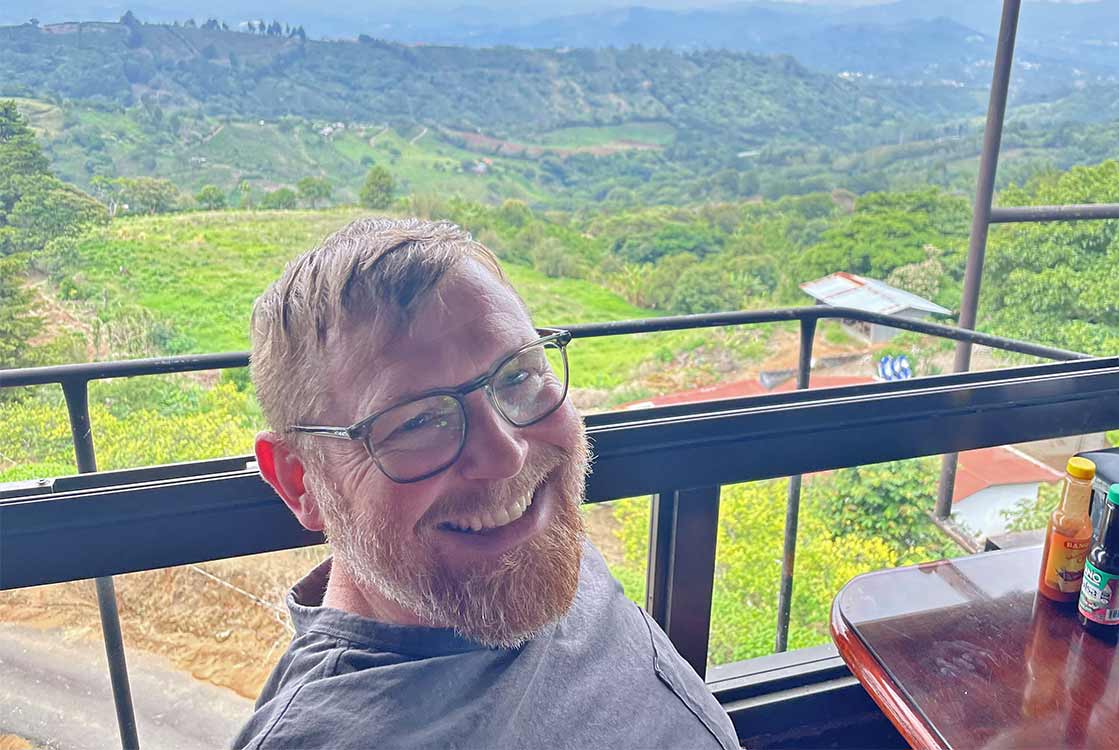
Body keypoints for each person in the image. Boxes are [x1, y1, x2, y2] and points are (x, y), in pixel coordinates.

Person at [232, 218, 741, 749]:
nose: (507, 455)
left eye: (517, 376)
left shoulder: (530, 545)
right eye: (418, 421)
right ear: (302, 481)